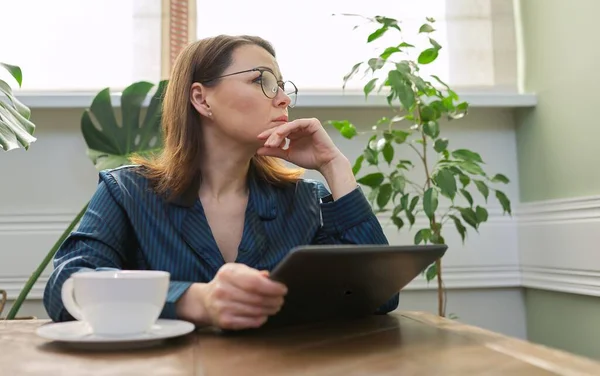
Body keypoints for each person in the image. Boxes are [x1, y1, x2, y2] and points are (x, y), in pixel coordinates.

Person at [43, 35, 399, 330]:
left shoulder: (305, 201)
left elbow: (380, 297)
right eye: (262, 80)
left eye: (282, 85)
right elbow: (66, 286)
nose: (283, 98)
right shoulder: (127, 193)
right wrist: (192, 299)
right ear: (201, 98)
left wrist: (335, 168)